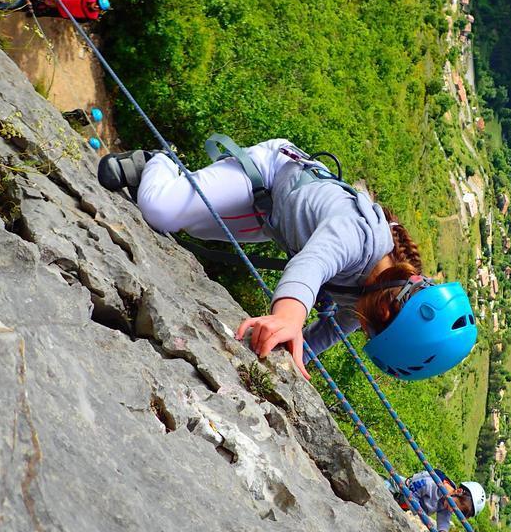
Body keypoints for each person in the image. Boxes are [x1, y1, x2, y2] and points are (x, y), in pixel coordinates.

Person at [95, 139, 478, 380]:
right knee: (160, 209)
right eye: (374, 330)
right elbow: (312, 265)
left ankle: (178, 181)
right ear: (389, 312)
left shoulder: (373, 296)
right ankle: (158, 159)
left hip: (269, 217)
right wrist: (288, 319)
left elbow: (332, 330)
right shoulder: (357, 236)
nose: (364, 330)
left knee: (188, 225)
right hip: (266, 173)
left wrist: (295, 358)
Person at [393, 470, 486, 532]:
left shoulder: (448, 500)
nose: (451, 510)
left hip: (405, 506)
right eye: (454, 507)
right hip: (398, 490)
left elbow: (444, 517)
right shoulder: (432, 483)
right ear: (458, 491)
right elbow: (412, 491)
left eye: (455, 512)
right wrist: (418, 512)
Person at [33, 0, 111, 22]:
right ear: (96, 0)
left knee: (46, 13)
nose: (96, 6)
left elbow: (78, 20)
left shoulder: (91, 17)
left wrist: (67, 16)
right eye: (97, 3)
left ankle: (34, 13)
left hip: (62, 13)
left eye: (99, 7)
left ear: (100, 10)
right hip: (62, 0)